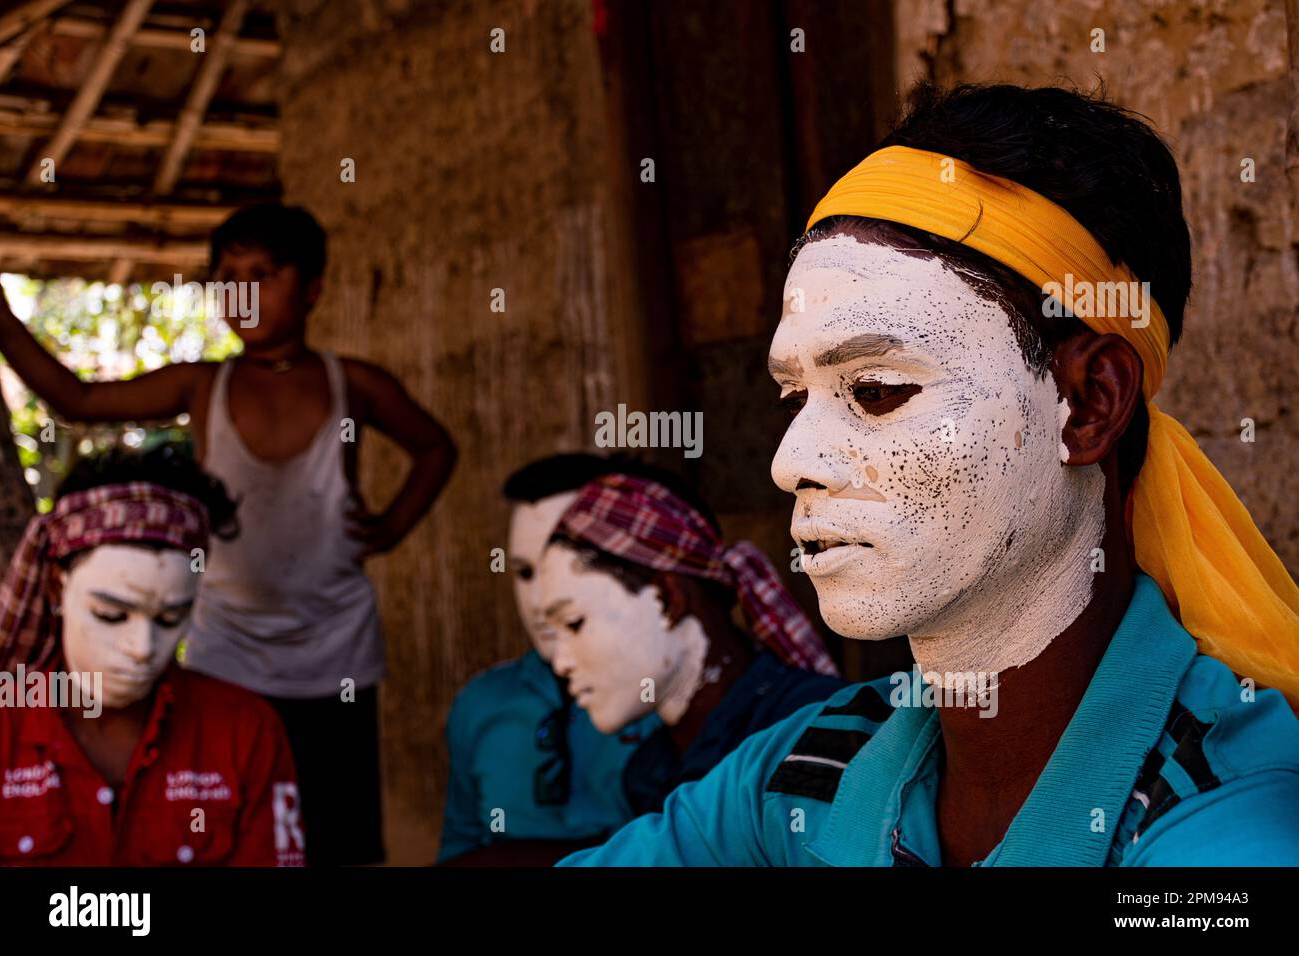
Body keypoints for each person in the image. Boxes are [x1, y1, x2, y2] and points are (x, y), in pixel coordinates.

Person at [560, 82, 1299, 867]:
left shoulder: (1230, 814)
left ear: (1086, 405)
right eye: (793, 396)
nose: (791, 463)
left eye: (875, 391)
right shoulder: (805, 777)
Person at [0, 203, 456, 865]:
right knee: (228, 802)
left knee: (337, 838)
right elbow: (80, 402)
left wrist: (389, 526)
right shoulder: (202, 384)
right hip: (228, 648)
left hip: (335, 651)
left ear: (313, 290)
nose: (241, 291)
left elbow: (436, 448)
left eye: (263, 274)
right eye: (227, 276)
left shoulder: (352, 384)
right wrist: (6, 323)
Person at [0, 444, 304, 866]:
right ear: (56, 587)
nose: (141, 649)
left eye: (169, 618)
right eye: (111, 614)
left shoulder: (246, 732)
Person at [539, 470, 845, 817]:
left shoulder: (806, 726)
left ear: (667, 598)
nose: (561, 662)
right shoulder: (647, 773)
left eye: (574, 623)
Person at [438, 454, 660, 865]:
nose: (539, 602)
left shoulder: (662, 699)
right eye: (524, 572)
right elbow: (460, 849)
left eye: (563, 568)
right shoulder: (481, 704)